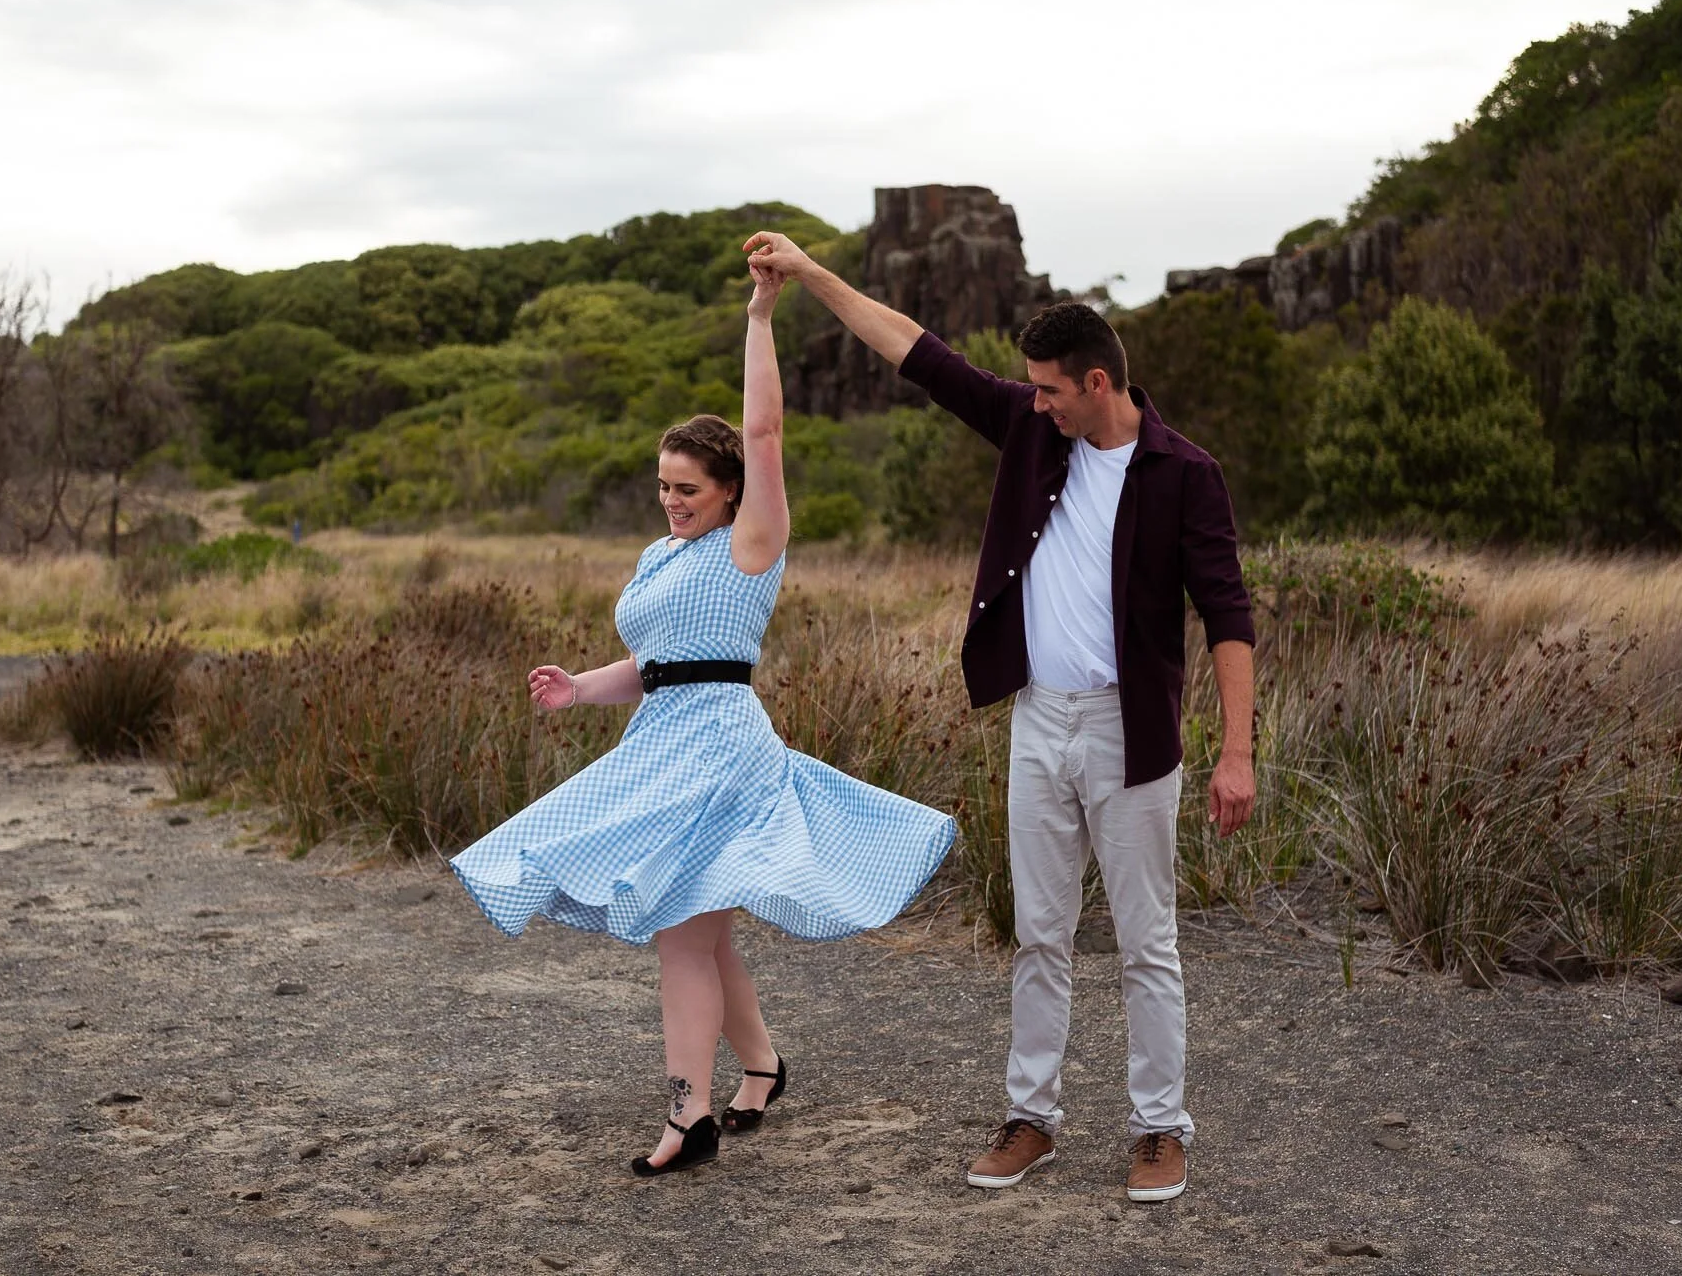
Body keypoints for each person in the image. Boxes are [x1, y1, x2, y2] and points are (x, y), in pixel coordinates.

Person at [742, 229, 1256, 1205]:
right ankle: (1031, 1117)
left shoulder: (1182, 473)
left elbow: (1227, 614)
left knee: (1146, 940)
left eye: (1051, 388)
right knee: (1038, 932)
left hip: (1129, 734)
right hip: (1038, 721)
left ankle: (1157, 1128)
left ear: (1096, 383)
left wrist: (1235, 751)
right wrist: (810, 277)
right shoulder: (1030, 429)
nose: (1036, 400)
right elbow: (915, 351)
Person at [450, 257, 957, 1179]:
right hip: (662, 739)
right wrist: (579, 688)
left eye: (687, 487)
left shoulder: (751, 541)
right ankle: (759, 1065)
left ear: (727, 488)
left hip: (722, 748)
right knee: (704, 930)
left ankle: (689, 1116)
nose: (672, 501)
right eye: (662, 487)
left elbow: (762, 429)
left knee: (680, 928)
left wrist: (763, 312)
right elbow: (654, 668)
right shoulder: (659, 554)